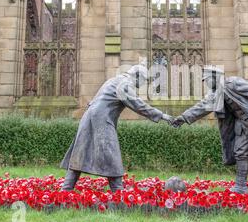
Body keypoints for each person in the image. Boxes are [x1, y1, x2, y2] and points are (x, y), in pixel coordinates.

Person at [172, 66, 248, 194]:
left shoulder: (233, 83)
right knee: (240, 152)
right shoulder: (217, 94)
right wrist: (182, 118)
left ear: (216, 77)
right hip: (242, 126)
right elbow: (202, 107)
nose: (207, 83)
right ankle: (241, 186)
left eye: (208, 79)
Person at [60, 64, 174, 192]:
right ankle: (118, 191)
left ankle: (66, 190)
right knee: (111, 154)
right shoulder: (125, 85)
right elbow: (138, 105)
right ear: (136, 76)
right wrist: (162, 115)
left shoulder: (114, 80)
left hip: (88, 117)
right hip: (102, 120)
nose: (143, 84)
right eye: (143, 80)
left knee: (80, 153)